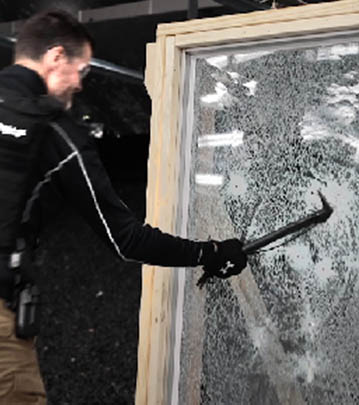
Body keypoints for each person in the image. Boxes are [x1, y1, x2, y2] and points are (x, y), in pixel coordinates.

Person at [0, 9, 248, 404]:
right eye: (80, 70)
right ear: (56, 57)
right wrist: (210, 252)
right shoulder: (55, 130)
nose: (80, 85)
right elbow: (125, 239)